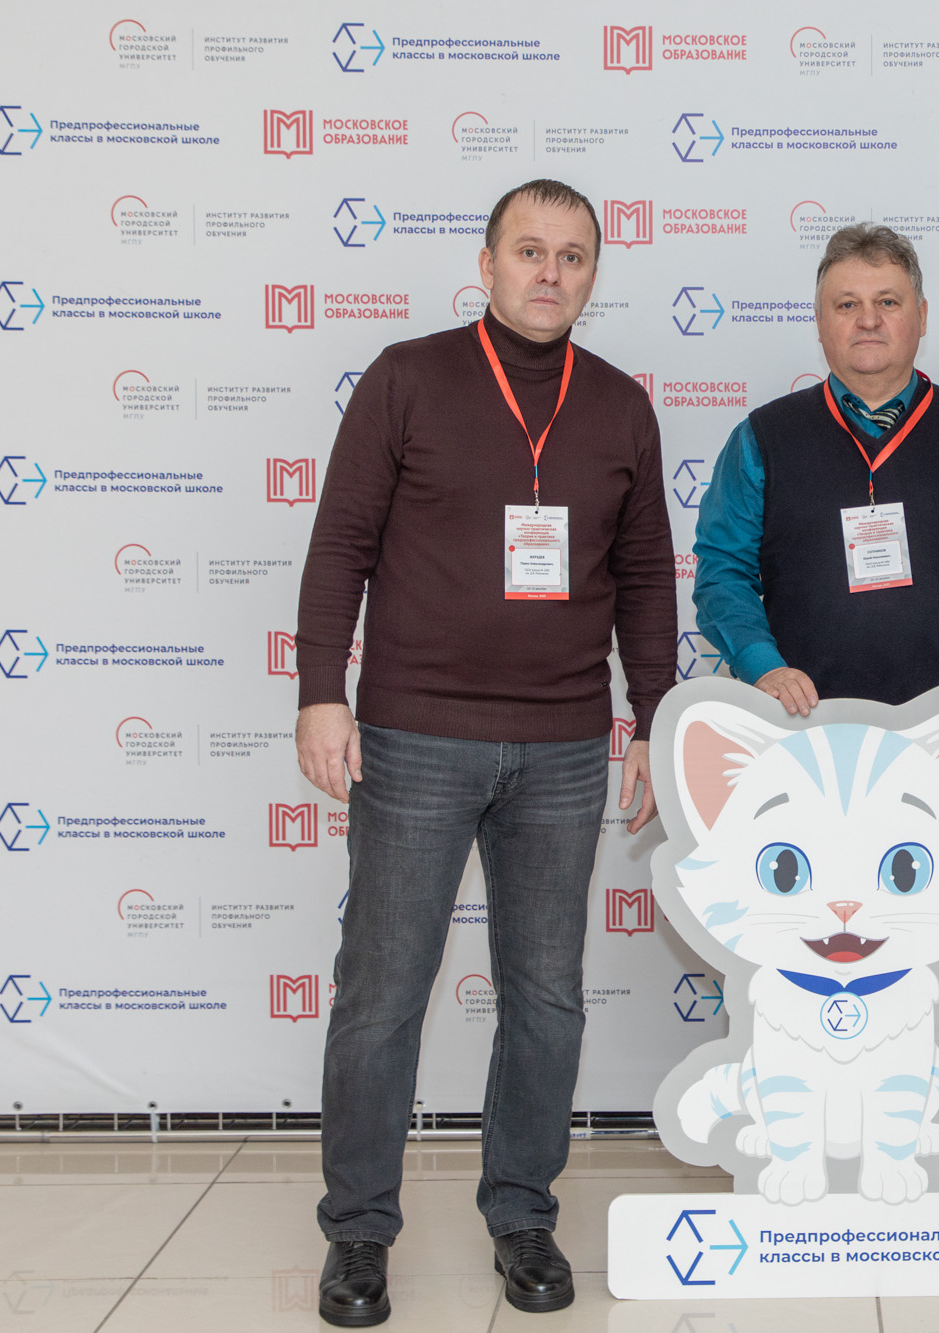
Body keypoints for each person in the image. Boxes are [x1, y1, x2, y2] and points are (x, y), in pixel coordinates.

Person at [293, 178, 675, 1326]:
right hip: (414, 736)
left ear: (593, 273)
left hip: (563, 746)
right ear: (487, 263)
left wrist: (653, 714)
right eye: (528, 251)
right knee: (381, 994)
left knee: (545, 995)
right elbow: (340, 543)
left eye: (572, 255)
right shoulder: (407, 378)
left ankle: (521, 1214)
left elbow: (644, 574)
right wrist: (321, 695)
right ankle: (359, 1232)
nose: (549, 272)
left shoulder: (620, 405)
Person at [691, 222, 939, 1190]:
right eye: (846, 304)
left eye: (886, 302)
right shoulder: (764, 439)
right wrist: (761, 662)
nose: (867, 321)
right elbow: (721, 572)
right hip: (809, 763)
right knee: (805, 963)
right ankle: (812, 1161)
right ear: (819, 321)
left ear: (921, 316)